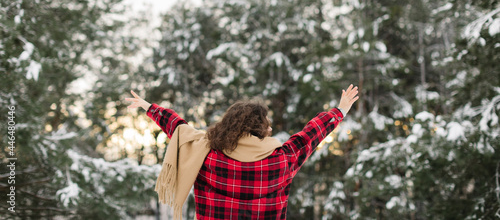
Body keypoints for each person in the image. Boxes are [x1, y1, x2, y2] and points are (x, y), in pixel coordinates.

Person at [125, 84, 359, 220]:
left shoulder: (206, 154)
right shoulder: (282, 160)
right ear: (261, 129)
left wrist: (149, 107)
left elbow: (178, 128)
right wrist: (340, 110)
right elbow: (311, 134)